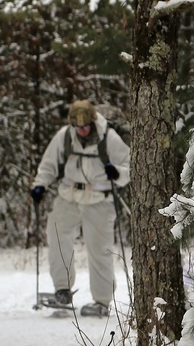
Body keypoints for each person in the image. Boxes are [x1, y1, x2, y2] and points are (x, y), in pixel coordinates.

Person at [30, 99, 130, 317]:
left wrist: (118, 174)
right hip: (69, 196)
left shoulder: (109, 139)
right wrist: (40, 185)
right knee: (57, 235)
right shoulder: (65, 136)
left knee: (99, 249)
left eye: (85, 127)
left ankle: (102, 301)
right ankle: (62, 290)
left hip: (99, 200)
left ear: (93, 122)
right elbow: (48, 164)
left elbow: (130, 166)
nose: (82, 131)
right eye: (78, 127)